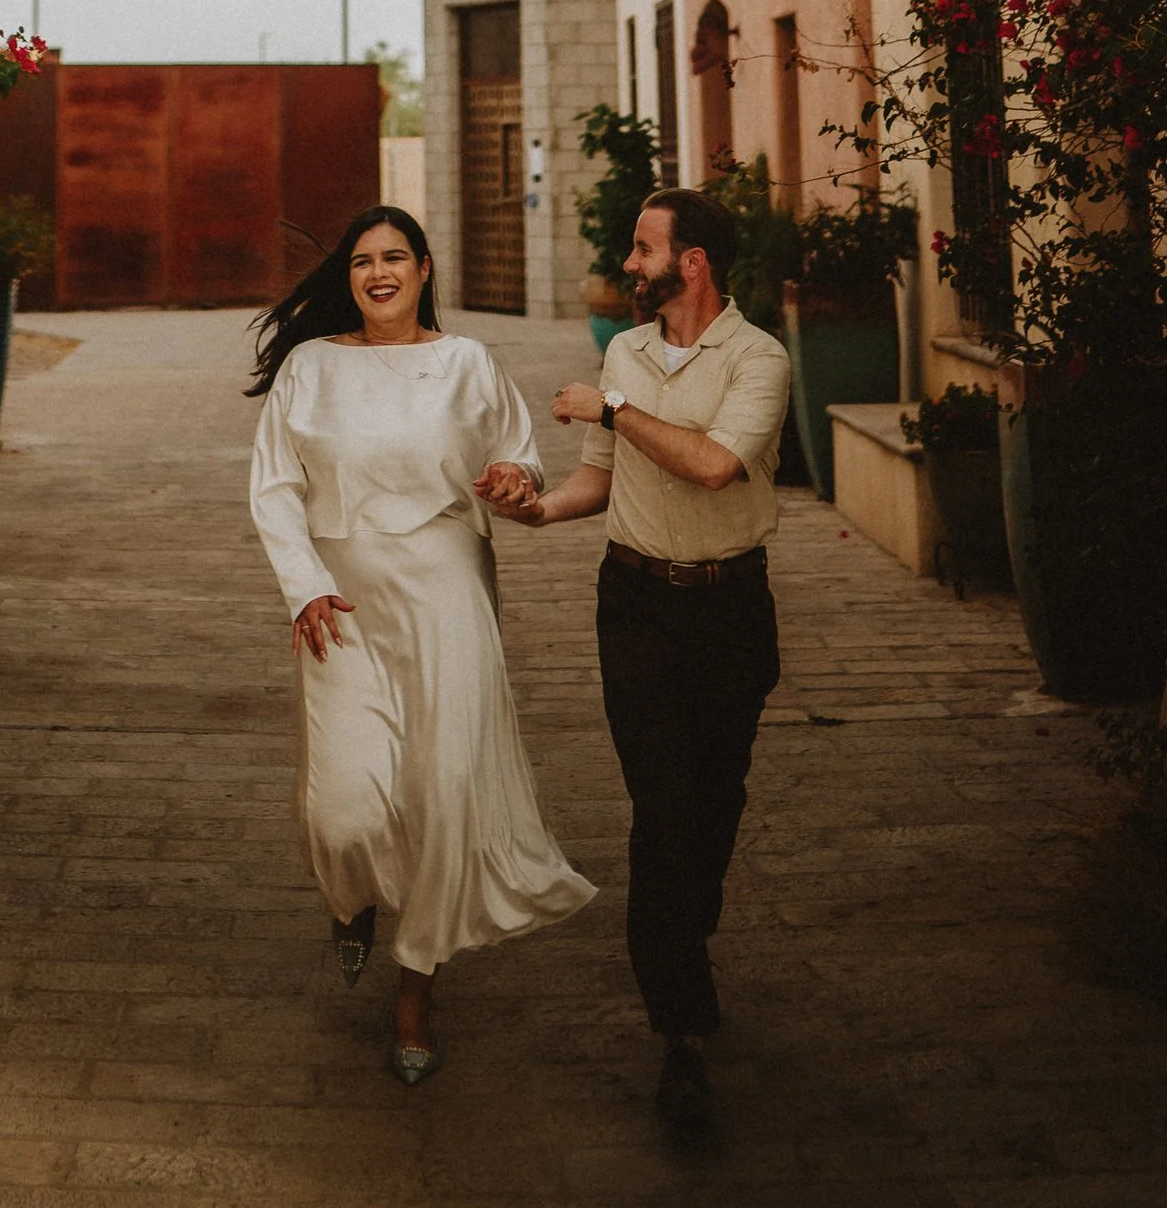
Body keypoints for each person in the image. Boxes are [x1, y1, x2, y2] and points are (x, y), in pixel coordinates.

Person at [246, 204, 594, 1083]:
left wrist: (518, 478)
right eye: (362, 261)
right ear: (349, 279)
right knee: (345, 806)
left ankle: (416, 991)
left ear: (426, 268)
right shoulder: (310, 368)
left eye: (394, 256)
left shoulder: (467, 362)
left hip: (446, 593)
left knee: (444, 795)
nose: (378, 273)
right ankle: (353, 895)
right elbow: (275, 486)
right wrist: (304, 584)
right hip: (343, 601)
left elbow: (518, 458)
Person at [487, 183, 792, 1136]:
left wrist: (615, 408)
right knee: (663, 807)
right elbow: (597, 477)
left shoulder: (759, 359)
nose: (630, 262)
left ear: (690, 264)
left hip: (731, 610)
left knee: (716, 802)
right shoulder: (622, 351)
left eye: (643, 247)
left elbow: (711, 466)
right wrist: (537, 510)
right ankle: (680, 1028)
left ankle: (681, 945)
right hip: (635, 609)